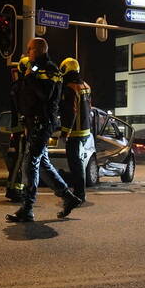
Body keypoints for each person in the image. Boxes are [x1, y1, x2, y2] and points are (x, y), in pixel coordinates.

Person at [6, 38, 82, 222]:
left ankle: (27, 207)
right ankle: (68, 197)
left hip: (42, 123)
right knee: (43, 163)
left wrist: (30, 78)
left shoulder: (50, 69)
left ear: (38, 50)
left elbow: (45, 95)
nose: (27, 52)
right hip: (35, 123)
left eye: (30, 49)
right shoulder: (35, 68)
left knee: (29, 163)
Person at [59, 57, 93, 204]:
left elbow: (70, 112)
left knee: (76, 165)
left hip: (75, 132)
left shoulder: (70, 88)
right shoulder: (86, 85)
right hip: (85, 131)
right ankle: (80, 192)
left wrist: (65, 133)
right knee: (78, 163)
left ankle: (79, 194)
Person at [5, 56, 29, 201]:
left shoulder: (18, 86)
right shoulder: (22, 87)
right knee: (19, 160)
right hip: (21, 129)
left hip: (20, 129)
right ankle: (13, 190)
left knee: (21, 160)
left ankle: (17, 188)